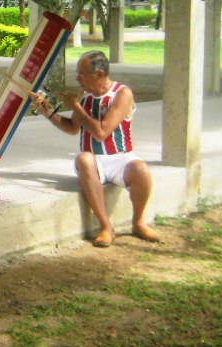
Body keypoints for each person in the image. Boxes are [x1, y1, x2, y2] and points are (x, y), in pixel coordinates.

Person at [30, 50, 160, 248]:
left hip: (120, 158)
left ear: (99, 74)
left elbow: (102, 132)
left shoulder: (122, 94)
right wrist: (46, 112)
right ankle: (106, 227)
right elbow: (73, 128)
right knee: (84, 159)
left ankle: (138, 222)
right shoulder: (84, 95)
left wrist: (76, 107)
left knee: (141, 169)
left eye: (82, 74)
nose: (78, 79)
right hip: (93, 160)